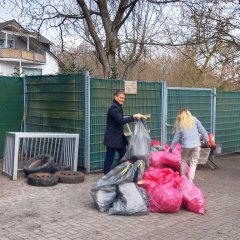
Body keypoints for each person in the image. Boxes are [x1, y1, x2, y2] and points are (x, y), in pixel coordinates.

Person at [103, 89, 144, 175]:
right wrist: (133, 117)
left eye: (123, 98)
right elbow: (120, 120)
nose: (122, 99)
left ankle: (124, 173)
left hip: (118, 138)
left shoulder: (117, 106)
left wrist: (133, 117)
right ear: (115, 97)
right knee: (110, 157)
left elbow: (120, 120)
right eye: (121, 98)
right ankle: (106, 175)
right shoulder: (113, 108)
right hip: (112, 138)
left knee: (124, 156)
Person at [169, 108, 209, 182]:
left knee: (183, 161)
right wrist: (207, 140)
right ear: (189, 113)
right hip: (196, 145)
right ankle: (190, 180)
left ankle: (183, 178)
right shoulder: (194, 119)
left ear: (180, 115)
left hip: (186, 146)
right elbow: (203, 130)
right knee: (193, 162)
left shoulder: (180, 123)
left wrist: (171, 148)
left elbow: (176, 137)